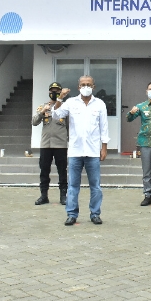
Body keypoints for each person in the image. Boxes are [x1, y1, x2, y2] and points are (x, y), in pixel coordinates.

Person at [51, 75, 109, 226]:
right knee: (73, 185)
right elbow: (56, 114)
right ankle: (71, 214)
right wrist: (60, 98)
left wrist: (104, 148)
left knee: (95, 185)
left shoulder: (100, 104)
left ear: (93, 86)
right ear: (78, 87)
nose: (86, 87)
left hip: (93, 151)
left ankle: (95, 213)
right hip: (75, 151)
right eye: (83, 84)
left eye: (88, 84)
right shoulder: (71, 102)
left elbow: (104, 127)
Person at [32, 81, 69, 206]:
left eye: (57, 91)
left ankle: (63, 195)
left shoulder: (65, 107)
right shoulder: (43, 106)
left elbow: (70, 126)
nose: (54, 93)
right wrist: (42, 111)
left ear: (60, 92)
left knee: (62, 171)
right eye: (52, 91)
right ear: (49, 92)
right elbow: (34, 122)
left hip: (61, 144)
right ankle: (44, 195)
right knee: (44, 170)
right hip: (46, 144)